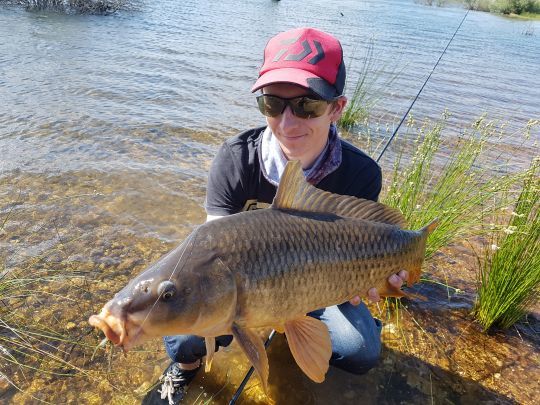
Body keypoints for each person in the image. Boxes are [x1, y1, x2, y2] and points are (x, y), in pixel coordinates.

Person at [151, 27, 407, 404]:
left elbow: (371, 251)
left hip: (321, 285)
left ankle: (302, 332)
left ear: (337, 108)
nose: (288, 123)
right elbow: (204, 261)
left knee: (359, 349)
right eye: (273, 103)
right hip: (245, 291)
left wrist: (376, 280)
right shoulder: (235, 159)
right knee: (183, 331)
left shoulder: (361, 173)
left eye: (307, 105)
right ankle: (187, 370)